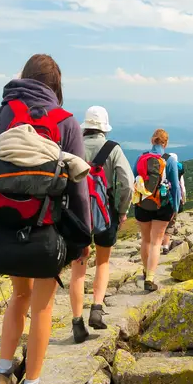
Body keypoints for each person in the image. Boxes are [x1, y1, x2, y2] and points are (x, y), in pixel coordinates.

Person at [0, 54, 90, 384]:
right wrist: (82, 238)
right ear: (56, 86)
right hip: (46, 232)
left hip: (5, 225)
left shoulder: (2, 115)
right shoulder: (66, 122)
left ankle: (3, 372)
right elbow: (79, 188)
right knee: (42, 305)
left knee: (18, 297)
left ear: (24, 78)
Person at [70, 106, 134, 343]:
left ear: (85, 126)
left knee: (79, 268)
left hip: (77, 215)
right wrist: (122, 210)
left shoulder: (73, 146)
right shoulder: (112, 149)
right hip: (105, 213)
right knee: (103, 262)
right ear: (104, 127)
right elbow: (127, 183)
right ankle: (96, 308)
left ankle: (77, 322)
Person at [132, 129, 181, 291]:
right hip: (163, 206)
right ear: (165, 143)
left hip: (143, 204)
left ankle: (145, 271)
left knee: (145, 240)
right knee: (156, 242)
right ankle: (151, 278)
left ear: (152, 141)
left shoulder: (141, 158)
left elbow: (134, 180)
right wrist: (175, 208)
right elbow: (175, 187)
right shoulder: (170, 160)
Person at [162, 153, 186, 254]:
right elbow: (181, 187)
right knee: (170, 224)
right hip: (174, 201)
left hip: (161, 199)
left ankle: (154, 245)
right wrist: (182, 200)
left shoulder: (162, 168)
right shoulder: (178, 172)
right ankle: (166, 246)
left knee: (160, 223)